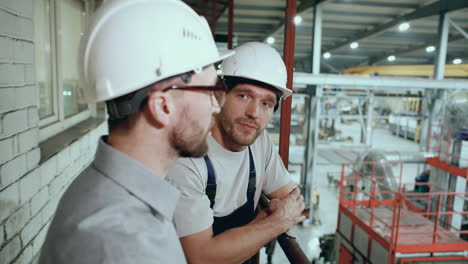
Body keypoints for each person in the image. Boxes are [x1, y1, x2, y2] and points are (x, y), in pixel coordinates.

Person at [39, 0, 233, 263]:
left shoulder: (115, 199)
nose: (215, 107)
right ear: (162, 106)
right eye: (212, 91)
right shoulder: (121, 243)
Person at [166, 42, 305, 264]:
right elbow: (201, 257)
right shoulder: (187, 157)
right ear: (220, 94)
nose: (254, 113)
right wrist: (276, 223)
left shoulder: (261, 144)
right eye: (244, 96)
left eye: (266, 103)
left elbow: (293, 200)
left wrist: (236, 243)